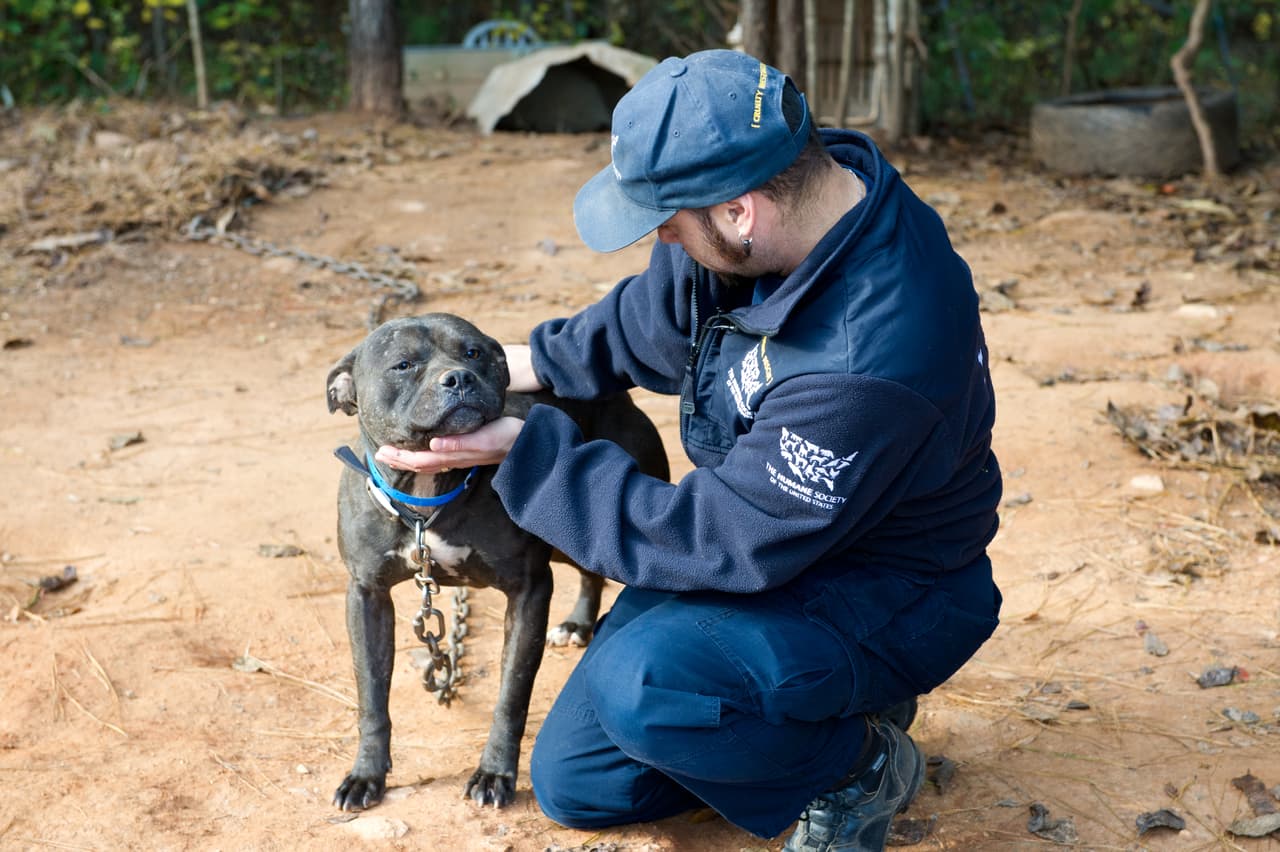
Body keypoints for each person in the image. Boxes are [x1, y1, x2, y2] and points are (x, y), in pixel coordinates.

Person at [376, 49, 1002, 852]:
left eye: (667, 220)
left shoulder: (870, 356)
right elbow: (651, 314)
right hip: (778, 535)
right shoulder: (790, 202)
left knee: (646, 685)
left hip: (881, 586)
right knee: (585, 784)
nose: (662, 236)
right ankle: (806, 707)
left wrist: (521, 451)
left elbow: (711, 540)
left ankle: (859, 760)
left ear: (739, 213)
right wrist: (502, 372)